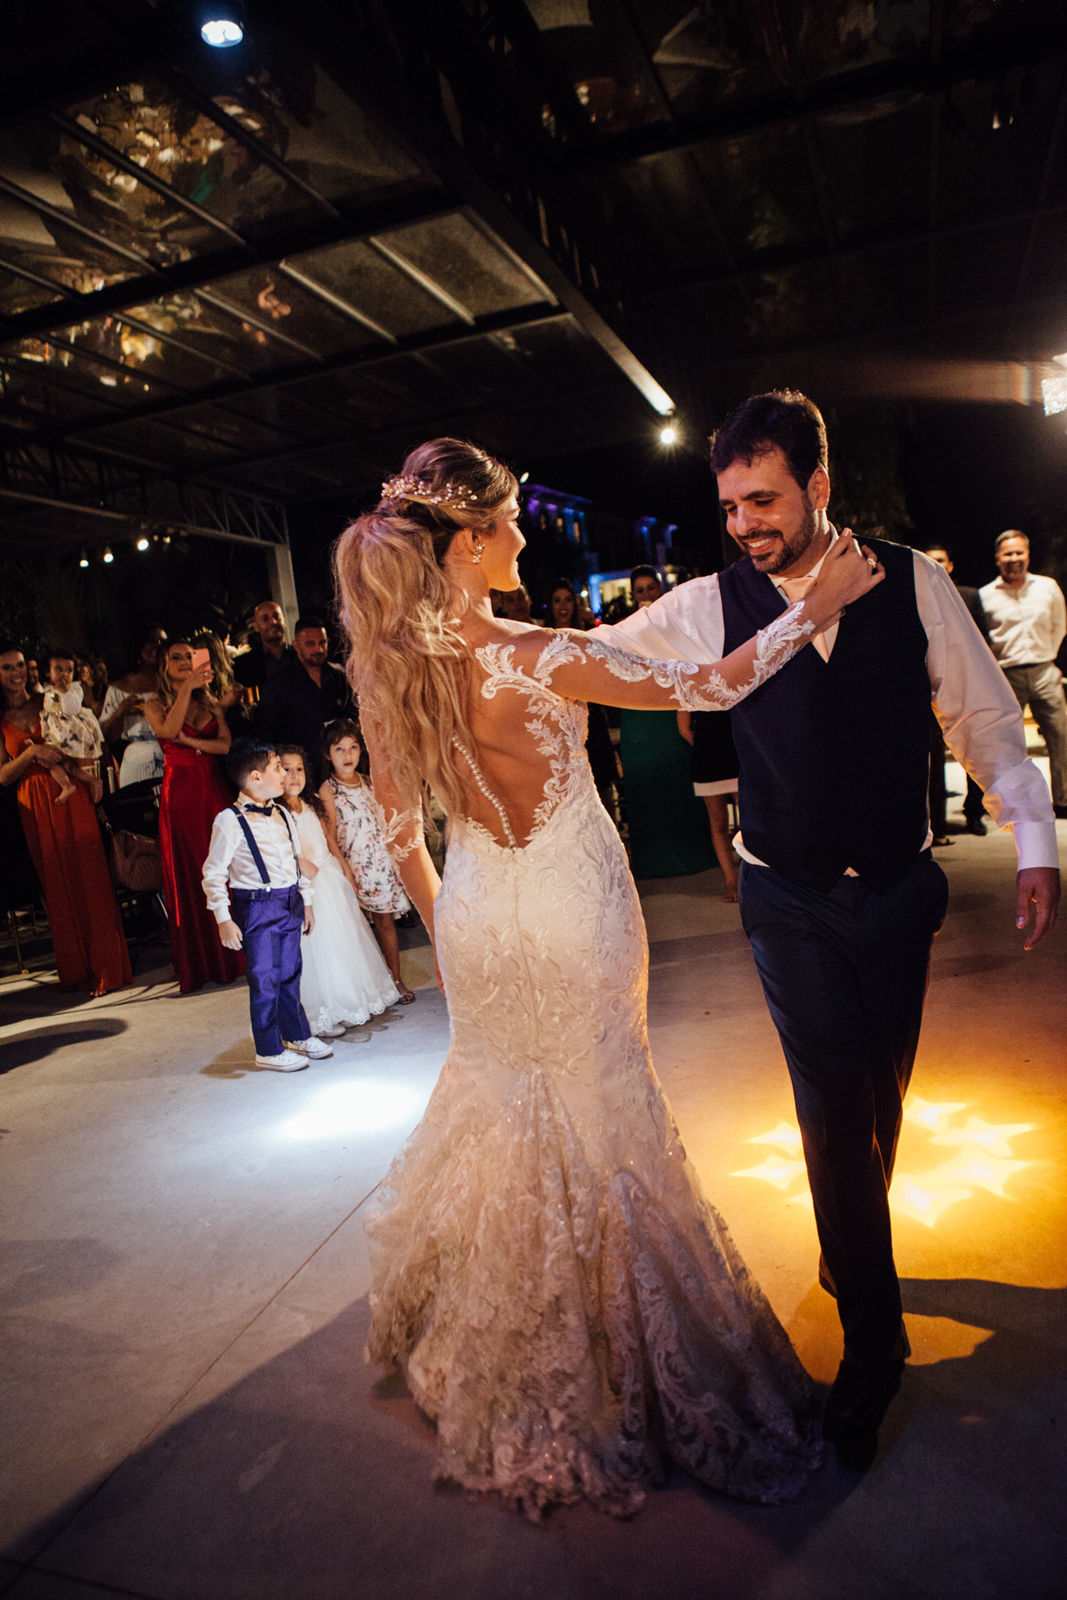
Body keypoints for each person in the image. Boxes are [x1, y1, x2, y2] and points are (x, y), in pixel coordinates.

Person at [334, 436, 883, 1516]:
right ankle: (618, 1369)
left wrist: (448, 932)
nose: (525, 533)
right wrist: (813, 605)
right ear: (469, 543)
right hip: (573, 914)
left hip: (481, 917)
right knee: (600, 1115)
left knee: (502, 1104)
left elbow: (397, 830)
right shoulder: (530, 652)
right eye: (509, 520)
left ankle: (491, 1325)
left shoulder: (390, 664)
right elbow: (716, 684)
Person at [601, 390, 1060, 1468]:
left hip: (897, 889)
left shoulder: (913, 580)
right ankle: (872, 1340)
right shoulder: (708, 599)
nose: (744, 523)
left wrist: (1030, 834)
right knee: (830, 1101)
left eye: (762, 498)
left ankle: (848, 1251)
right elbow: (605, 656)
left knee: (879, 1097)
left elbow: (983, 717)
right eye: (726, 504)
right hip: (783, 896)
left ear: (817, 485)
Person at [0, 642, 130, 995]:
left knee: (91, 876)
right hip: (36, 803)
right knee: (58, 884)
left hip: (71, 792)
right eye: (7, 668)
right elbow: (3, 775)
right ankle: (77, 970)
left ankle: (108, 967)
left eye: (20, 666)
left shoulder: (48, 702)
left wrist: (89, 777)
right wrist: (31, 755)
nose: (16, 674)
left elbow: (79, 742)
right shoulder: (1, 720)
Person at [201, 739, 332, 1072]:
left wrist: (307, 902)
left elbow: (296, 861)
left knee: (290, 972)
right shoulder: (229, 820)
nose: (285, 774)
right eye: (278, 768)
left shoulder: (283, 814)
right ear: (256, 777)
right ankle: (268, 1048)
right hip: (257, 905)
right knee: (265, 978)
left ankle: (296, 1034)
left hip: (289, 901)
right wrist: (223, 918)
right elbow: (213, 873)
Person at [277, 744, 402, 1034]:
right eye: (286, 769)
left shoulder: (309, 804)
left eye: (299, 769)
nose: (295, 776)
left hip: (330, 876)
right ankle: (326, 1010)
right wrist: (300, 863)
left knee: (345, 941)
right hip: (309, 884)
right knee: (321, 948)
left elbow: (328, 840)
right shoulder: (278, 811)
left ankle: (351, 1000)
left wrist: (344, 869)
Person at [145, 640, 245, 994]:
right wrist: (187, 687)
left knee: (228, 863)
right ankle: (204, 959)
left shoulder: (209, 702)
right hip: (182, 792)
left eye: (190, 656)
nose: (186, 662)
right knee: (193, 869)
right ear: (164, 667)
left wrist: (194, 744)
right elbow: (169, 731)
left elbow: (227, 744)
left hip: (214, 787)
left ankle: (237, 955)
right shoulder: (153, 704)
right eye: (177, 658)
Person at [618, 565, 714, 877]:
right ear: (633, 596)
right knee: (648, 789)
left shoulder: (675, 626)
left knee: (679, 782)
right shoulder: (623, 628)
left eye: (651, 588)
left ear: (661, 590)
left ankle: (694, 856)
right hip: (637, 717)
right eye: (639, 590)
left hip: (672, 711)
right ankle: (653, 861)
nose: (646, 595)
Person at [319, 718, 415, 1004]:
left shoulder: (370, 783)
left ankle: (396, 980)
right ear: (328, 754)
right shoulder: (329, 790)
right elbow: (330, 836)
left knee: (386, 923)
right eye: (339, 749)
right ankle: (370, 989)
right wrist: (345, 870)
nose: (348, 755)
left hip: (379, 866)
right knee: (359, 930)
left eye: (353, 748)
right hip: (353, 867)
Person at [979, 530, 1067, 818]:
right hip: (1007, 675)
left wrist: (1046, 657)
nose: (1014, 559)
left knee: (1061, 736)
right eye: (1008, 554)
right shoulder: (986, 595)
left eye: (1019, 553)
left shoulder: (1048, 587)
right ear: (997, 558)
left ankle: (1063, 801)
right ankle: (1016, 805)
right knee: (1008, 744)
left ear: (1028, 554)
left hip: (1045, 672)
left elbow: (1059, 626)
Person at [923, 545, 989, 835]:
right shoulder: (912, 596)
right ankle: (936, 823)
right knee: (932, 756)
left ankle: (974, 813)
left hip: (965, 681)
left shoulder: (970, 596)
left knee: (974, 750)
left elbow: (983, 640)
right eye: (928, 560)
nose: (933, 564)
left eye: (939, 560)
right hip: (927, 687)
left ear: (949, 565)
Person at [255, 617, 354, 780]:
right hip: (303, 772)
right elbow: (266, 733)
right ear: (296, 646)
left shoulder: (340, 677)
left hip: (342, 768)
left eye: (322, 642)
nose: (318, 649)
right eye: (310, 644)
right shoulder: (279, 685)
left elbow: (353, 716)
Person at [677, 709, 740, 900]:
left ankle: (754, 877)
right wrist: (705, 746)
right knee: (718, 822)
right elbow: (684, 729)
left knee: (751, 819)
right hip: (707, 757)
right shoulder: (687, 682)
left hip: (738, 753)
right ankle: (731, 880)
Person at [100, 626, 166, 788]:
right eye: (152, 641)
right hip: (137, 761)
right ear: (140, 645)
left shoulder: (173, 685)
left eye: (162, 642)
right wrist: (120, 712)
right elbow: (106, 738)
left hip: (171, 755)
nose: (157, 646)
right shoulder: (119, 687)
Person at [40, 647, 105, 803]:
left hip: (70, 733)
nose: (64, 674)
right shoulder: (47, 689)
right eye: (59, 669)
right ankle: (84, 782)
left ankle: (67, 785)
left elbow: (72, 708)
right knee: (66, 765)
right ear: (48, 672)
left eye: (69, 670)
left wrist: (65, 691)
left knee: (50, 761)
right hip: (57, 733)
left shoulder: (75, 689)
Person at [233, 599, 292, 697]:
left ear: (284, 621)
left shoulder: (301, 656)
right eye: (265, 619)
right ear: (256, 627)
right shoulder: (243, 664)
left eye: (276, 616)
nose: (273, 621)